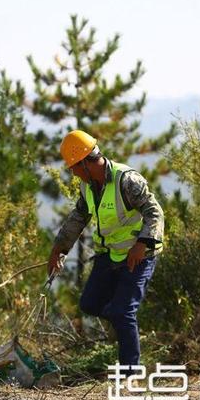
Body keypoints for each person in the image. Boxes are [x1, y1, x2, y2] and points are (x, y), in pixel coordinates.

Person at [47, 129, 164, 370]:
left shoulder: (127, 180)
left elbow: (155, 212)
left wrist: (142, 244)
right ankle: (123, 319)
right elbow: (78, 217)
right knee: (89, 304)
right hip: (110, 255)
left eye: (74, 167)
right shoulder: (87, 186)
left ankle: (130, 374)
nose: (73, 173)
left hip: (139, 257)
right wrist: (59, 249)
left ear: (86, 163)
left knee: (123, 313)